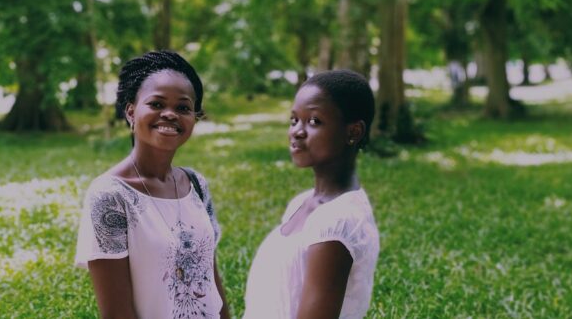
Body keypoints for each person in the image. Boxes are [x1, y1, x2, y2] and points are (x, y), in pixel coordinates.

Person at [75, 50, 230, 318]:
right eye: (157, 104)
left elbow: (210, 277)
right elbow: (116, 313)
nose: (170, 114)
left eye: (183, 108)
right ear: (131, 112)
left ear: (195, 117)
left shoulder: (196, 184)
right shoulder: (110, 196)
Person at [243, 70, 380, 319]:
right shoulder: (302, 202)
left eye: (314, 121)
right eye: (294, 120)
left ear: (353, 132)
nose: (297, 131)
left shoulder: (339, 222)